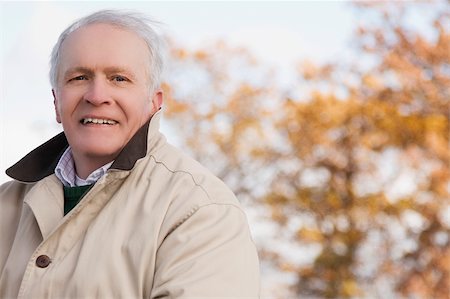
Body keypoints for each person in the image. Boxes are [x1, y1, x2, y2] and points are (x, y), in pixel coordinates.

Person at [0, 10, 260, 298]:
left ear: (154, 103)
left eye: (119, 78)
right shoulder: (5, 204)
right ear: (56, 102)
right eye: (79, 77)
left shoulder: (200, 209)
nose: (97, 96)